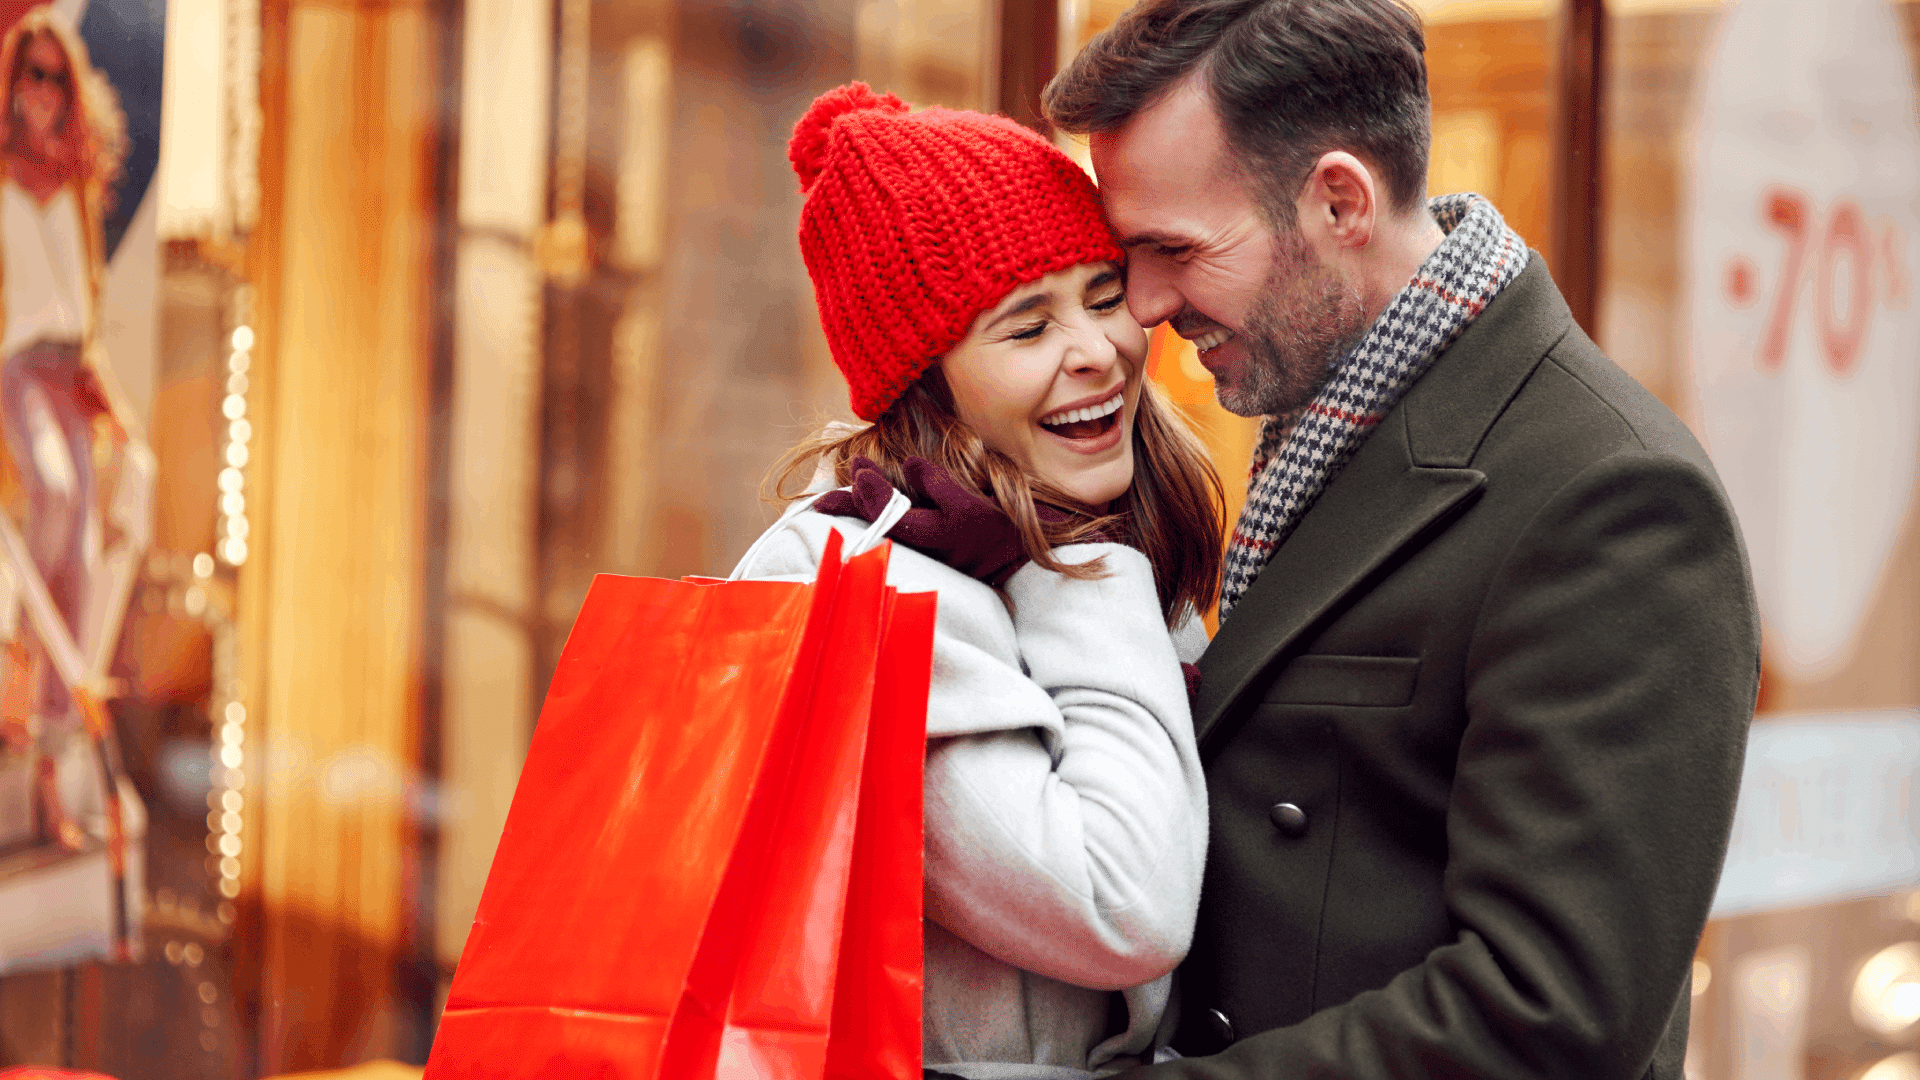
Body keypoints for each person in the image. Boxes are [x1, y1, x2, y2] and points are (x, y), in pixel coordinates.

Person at [1041, 3, 1759, 1079]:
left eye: (1174, 249)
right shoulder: (1327, 406)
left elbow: (1549, 1013)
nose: (1141, 305)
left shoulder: (1616, 498)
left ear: (1340, 200)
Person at [734, 83, 1227, 1079]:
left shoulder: (1074, 531)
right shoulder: (868, 580)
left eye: (1101, 296)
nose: (1098, 353)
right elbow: (1121, 905)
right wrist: (1082, 566)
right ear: (929, 383)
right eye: (1026, 325)